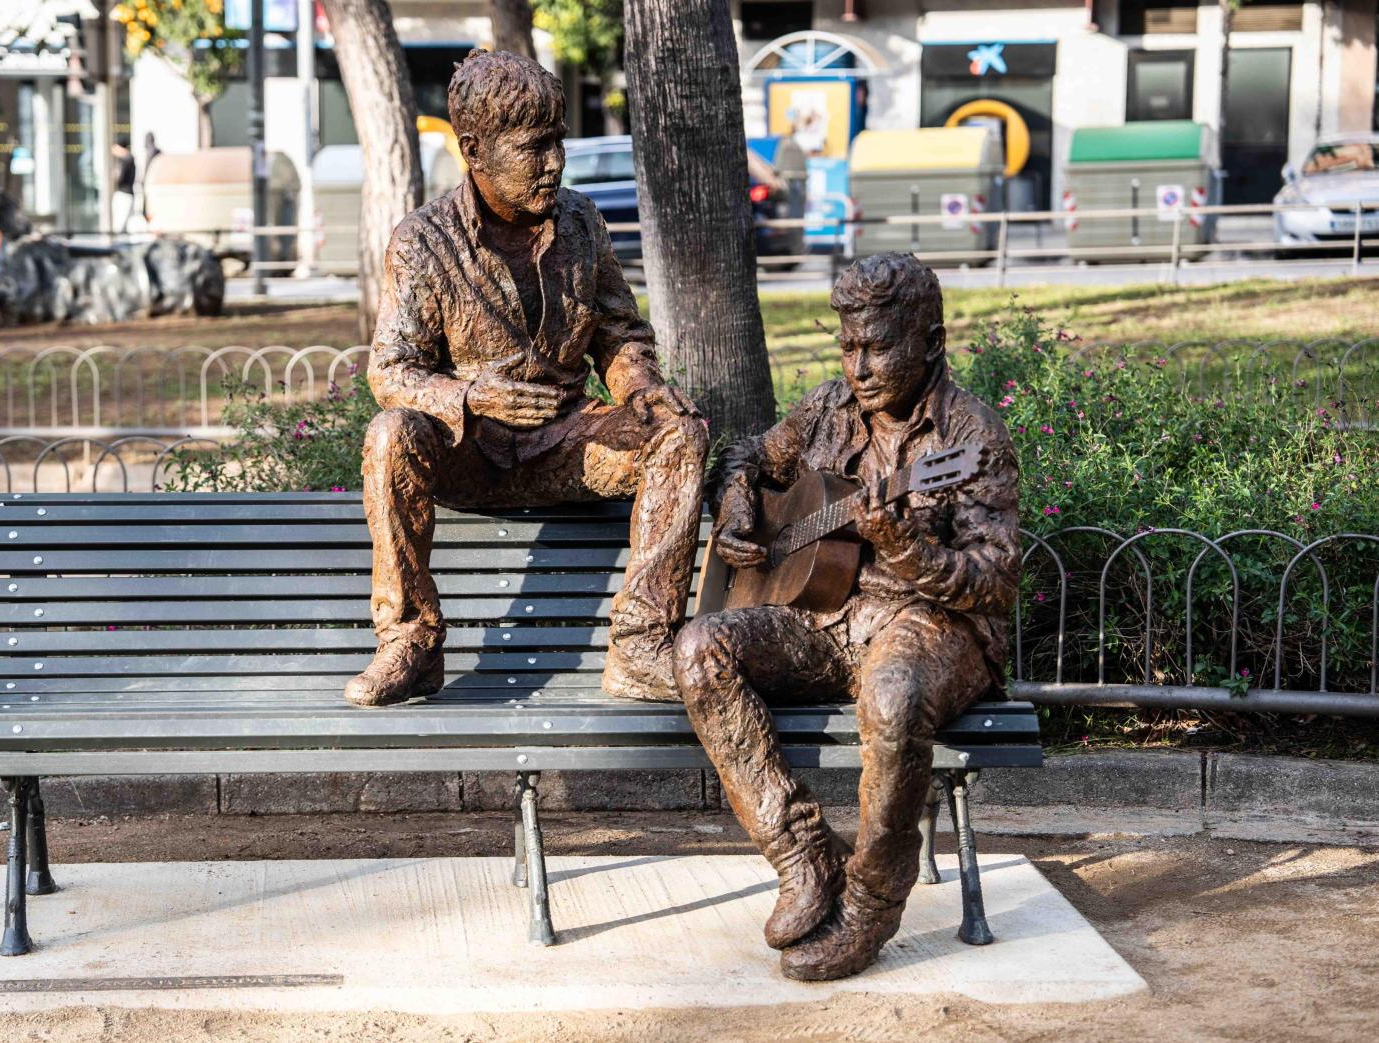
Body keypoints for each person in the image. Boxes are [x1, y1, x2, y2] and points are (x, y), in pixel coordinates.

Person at [674, 252, 1020, 980]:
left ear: (930, 340)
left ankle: (869, 903)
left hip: (932, 623)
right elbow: (745, 455)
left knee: (892, 694)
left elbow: (993, 584)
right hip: (825, 619)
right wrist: (737, 501)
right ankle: (803, 855)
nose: (859, 366)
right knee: (701, 646)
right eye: (848, 345)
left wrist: (907, 546)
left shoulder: (973, 437)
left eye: (879, 345)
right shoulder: (827, 409)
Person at [347, 49, 708, 708]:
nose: (555, 161)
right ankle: (410, 641)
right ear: (475, 150)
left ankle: (642, 644)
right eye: (534, 147)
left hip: (564, 448)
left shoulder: (581, 222)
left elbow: (619, 337)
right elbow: (392, 370)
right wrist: (468, 395)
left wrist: (639, 388)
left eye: (559, 142)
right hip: (468, 455)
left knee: (680, 432)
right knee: (389, 434)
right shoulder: (422, 242)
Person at [110, 136, 136, 234]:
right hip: (127, 194)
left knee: (120, 224)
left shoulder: (126, 160)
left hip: (124, 194)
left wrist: (116, 175)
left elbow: (120, 178)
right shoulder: (129, 159)